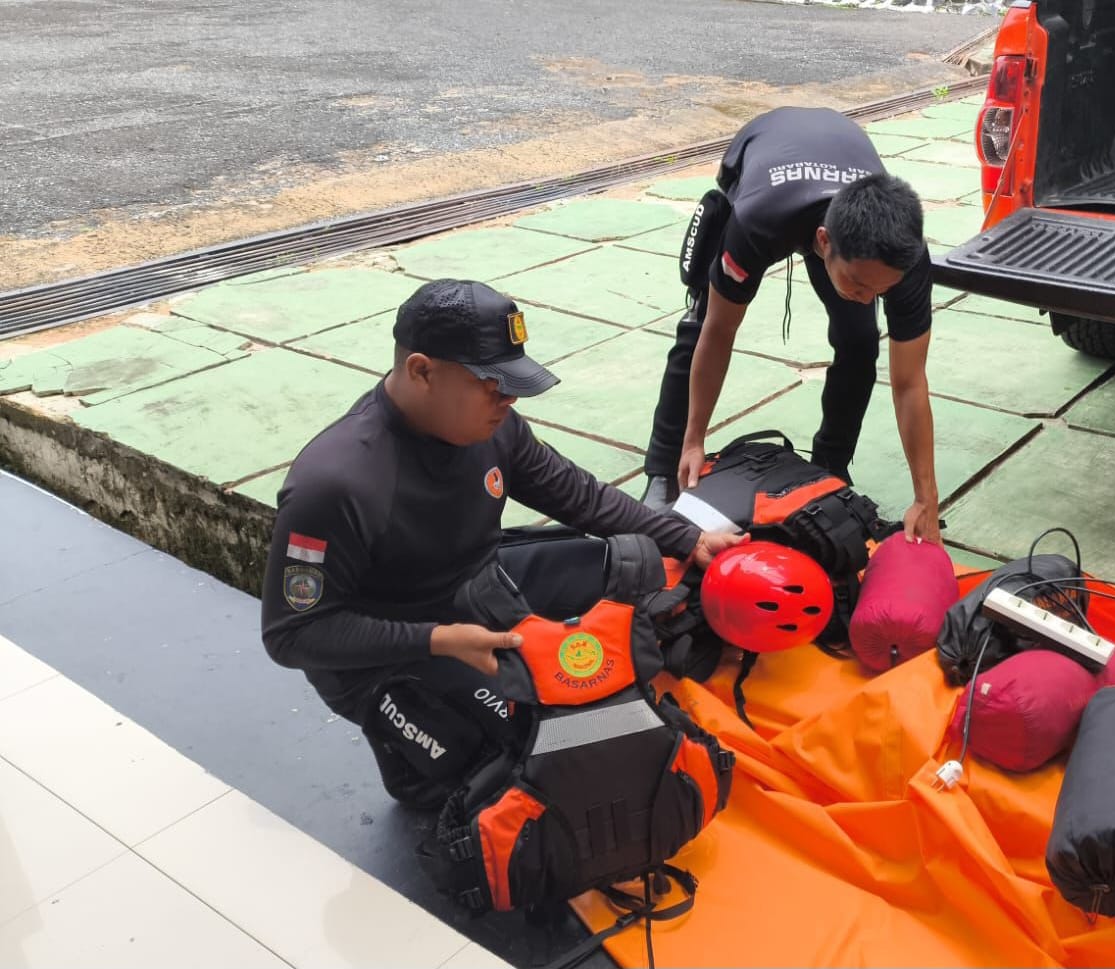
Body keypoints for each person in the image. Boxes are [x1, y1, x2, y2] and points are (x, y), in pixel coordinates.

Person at [260, 278, 745, 808]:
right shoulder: (335, 483)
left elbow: (577, 494)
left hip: (476, 586)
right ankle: (413, 760)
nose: (508, 399)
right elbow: (293, 634)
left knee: (640, 568)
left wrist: (688, 538)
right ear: (422, 371)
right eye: (493, 384)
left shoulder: (495, 427)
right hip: (392, 649)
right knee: (533, 757)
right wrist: (439, 640)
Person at [641, 106, 943, 544]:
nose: (868, 297)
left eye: (881, 291)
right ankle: (662, 468)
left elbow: (910, 382)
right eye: (860, 285)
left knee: (860, 340)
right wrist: (693, 441)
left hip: (838, 161)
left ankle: (830, 465)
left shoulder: (908, 260)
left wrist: (926, 498)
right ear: (823, 243)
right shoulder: (757, 222)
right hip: (763, 162)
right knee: (702, 322)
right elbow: (720, 333)